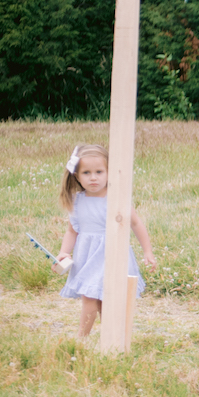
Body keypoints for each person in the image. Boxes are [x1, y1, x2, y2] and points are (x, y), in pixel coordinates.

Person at [56, 144, 156, 339]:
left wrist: (148, 251)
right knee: (90, 298)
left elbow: (135, 223)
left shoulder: (116, 199)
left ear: (109, 172)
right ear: (76, 175)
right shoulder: (77, 201)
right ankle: (82, 338)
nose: (93, 177)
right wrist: (63, 252)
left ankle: (110, 338)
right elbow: (71, 231)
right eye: (86, 172)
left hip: (113, 254)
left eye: (99, 172)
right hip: (88, 256)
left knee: (106, 300)